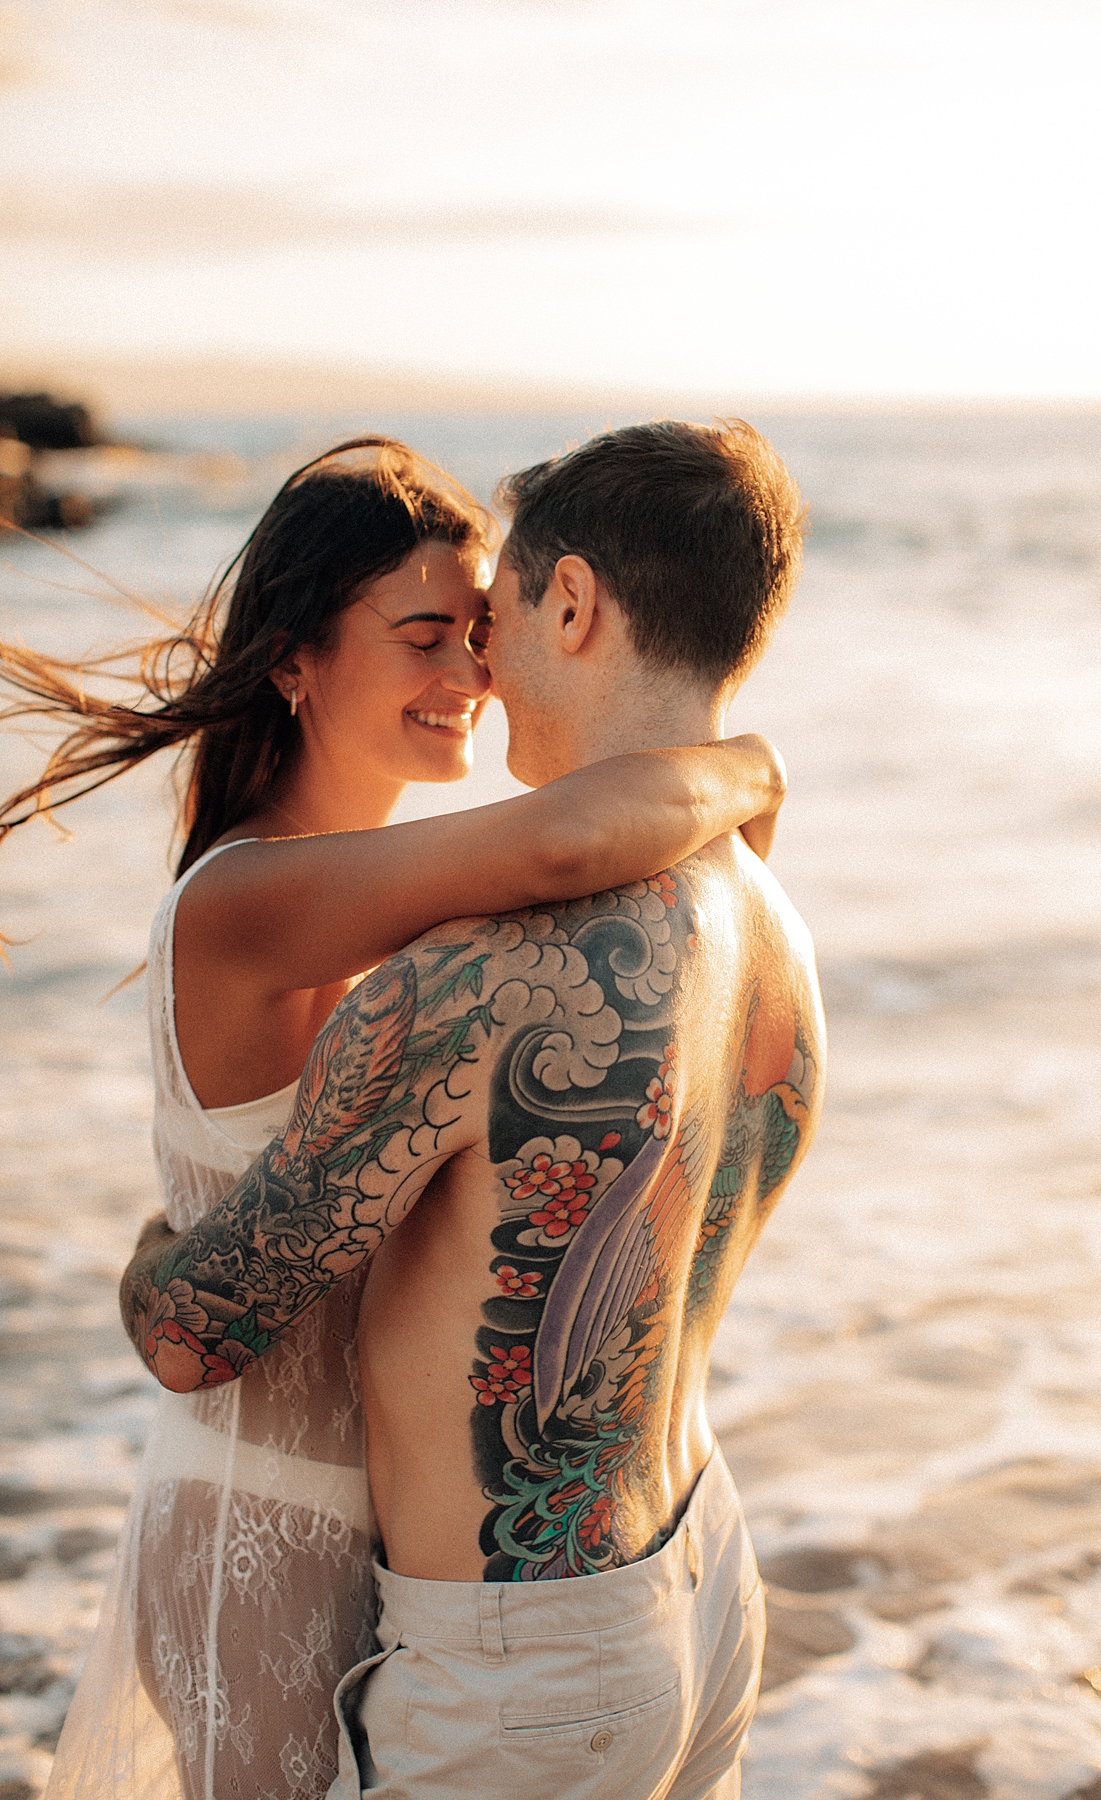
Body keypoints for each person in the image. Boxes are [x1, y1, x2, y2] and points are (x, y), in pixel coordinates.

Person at [1, 436, 787, 1800]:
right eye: (430, 636)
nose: (474, 679)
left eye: (480, 634)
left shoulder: (411, 923)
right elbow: (558, 840)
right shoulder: (245, 899)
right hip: (268, 1532)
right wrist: (746, 767)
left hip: (431, 1566)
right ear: (296, 660)